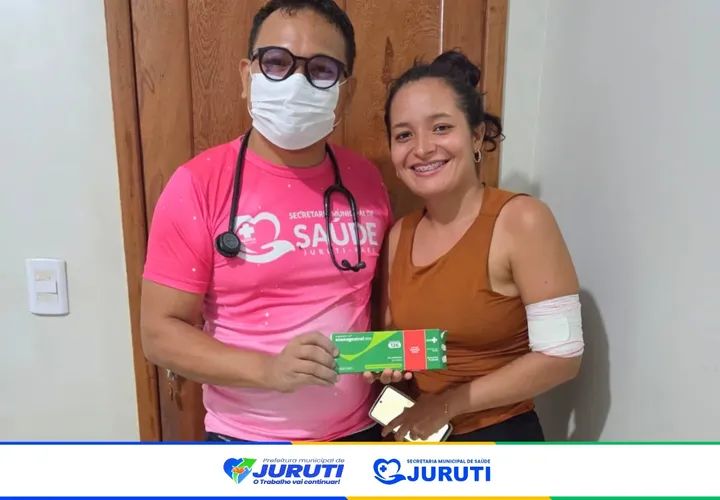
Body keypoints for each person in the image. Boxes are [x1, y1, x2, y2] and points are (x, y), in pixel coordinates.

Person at [140, 0, 393, 442]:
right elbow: (160, 334)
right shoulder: (198, 184)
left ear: (345, 92)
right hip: (245, 444)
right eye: (276, 62)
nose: (296, 82)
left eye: (321, 69)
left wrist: (389, 357)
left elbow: (377, 304)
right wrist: (269, 370)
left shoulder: (366, 182)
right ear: (247, 76)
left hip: (359, 436)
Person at [378, 50, 584, 442]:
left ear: (476, 135)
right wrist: (385, 362)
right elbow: (404, 341)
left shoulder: (522, 220)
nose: (422, 148)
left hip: (499, 436)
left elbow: (562, 356)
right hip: (416, 436)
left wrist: (448, 404)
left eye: (441, 128)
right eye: (404, 135)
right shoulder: (398, 234)